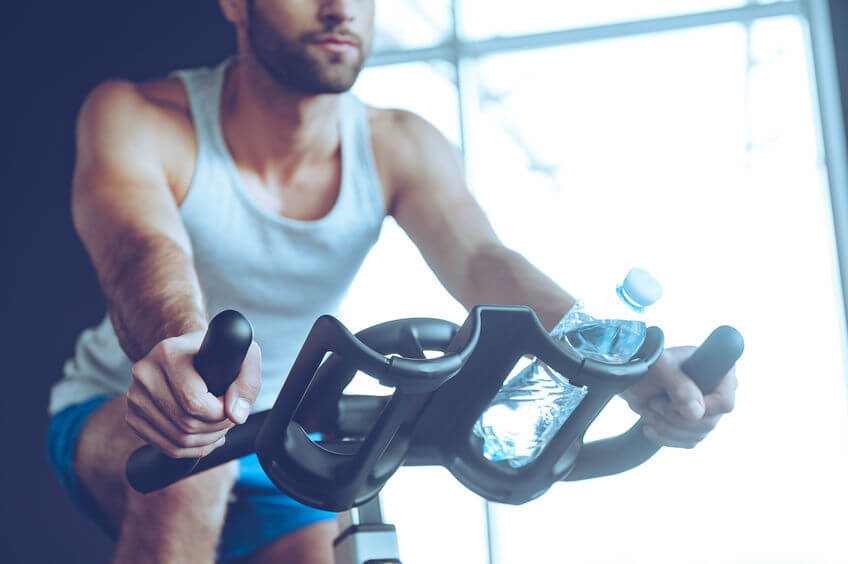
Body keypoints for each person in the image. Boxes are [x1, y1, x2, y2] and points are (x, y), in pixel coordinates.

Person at [45, 0, 740, 562]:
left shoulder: (400, 143)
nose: (338, 9)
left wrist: (619, 356)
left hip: (293, 430)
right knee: (191, 470)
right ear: (235, 3)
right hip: (133, 406)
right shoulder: (137, 116)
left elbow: (480, 262)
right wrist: (186, 351)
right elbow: (140, 249)